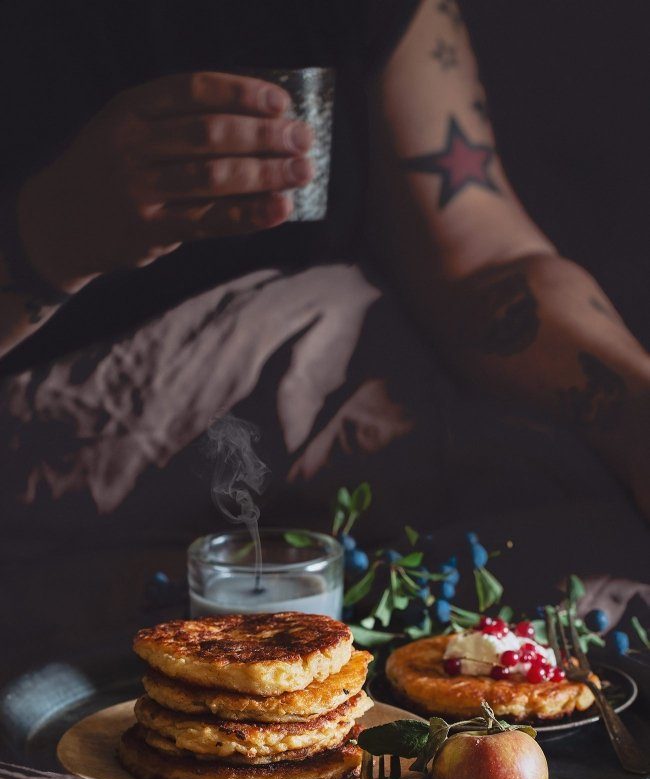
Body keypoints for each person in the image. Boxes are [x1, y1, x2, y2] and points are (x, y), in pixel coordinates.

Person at [0, 0, 648, 664]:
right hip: (63, 464)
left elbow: (485, 260)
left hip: (343, 438)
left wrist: (636, 406)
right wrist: (48, 236)